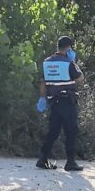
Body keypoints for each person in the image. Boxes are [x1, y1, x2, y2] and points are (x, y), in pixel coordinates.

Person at [37, 36, 86, 171]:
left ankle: (42, 158)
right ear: (69, 48)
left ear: (57, 46)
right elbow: (80, 78)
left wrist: (42, 98)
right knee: (71, 131)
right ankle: (70, 162)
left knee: (53, 131)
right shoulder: (68, 62)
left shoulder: (46, 62)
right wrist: (73, 61)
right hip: (67, 101)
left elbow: (43, 82)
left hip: (54, 102)